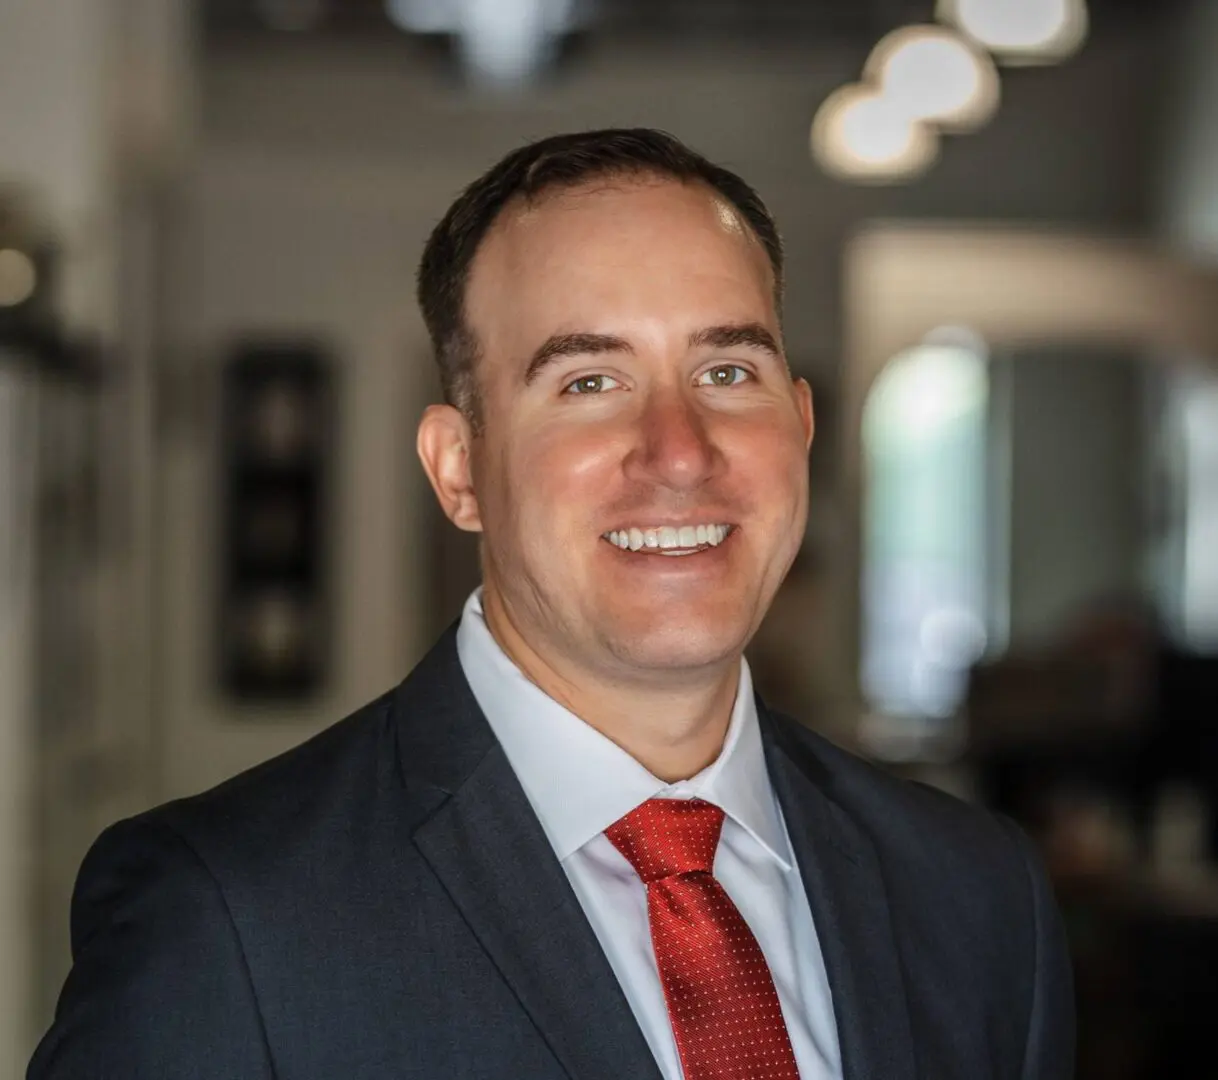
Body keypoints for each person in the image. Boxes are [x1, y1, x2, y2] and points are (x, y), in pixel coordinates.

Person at [29, 129, 1074, 1080]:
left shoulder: (978, 899)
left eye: (726, 367)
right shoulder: (223, 918)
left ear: (800, 428)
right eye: (587, 383)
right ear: (458, 469)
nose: (679, 448)